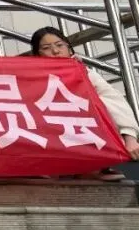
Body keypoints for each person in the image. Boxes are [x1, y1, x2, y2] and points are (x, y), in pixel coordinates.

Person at [31, 27, 139, 172]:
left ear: (69, 48)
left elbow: (113, 100)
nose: (55, 51)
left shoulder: (85, 73)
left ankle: (96, 166)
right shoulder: (32, 78)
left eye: (60, 45)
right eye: (46, 48)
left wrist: (129, 137)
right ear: (37, 54)